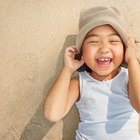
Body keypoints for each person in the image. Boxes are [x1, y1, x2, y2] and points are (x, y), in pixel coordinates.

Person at [44, 6, 140, 140]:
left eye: (113, 41)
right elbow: (52, 114)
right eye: (94, 42)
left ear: (125, 49)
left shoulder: (130, 78)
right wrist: (68, 69)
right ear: (81, 50)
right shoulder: (79, 83)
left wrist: (132, 60)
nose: (104, 48)